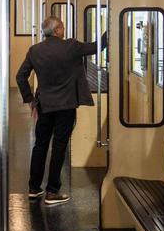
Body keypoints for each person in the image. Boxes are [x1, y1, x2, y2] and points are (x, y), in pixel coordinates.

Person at [16, 16, 105, 205]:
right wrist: (113, 24)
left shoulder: (35, 50)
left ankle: (34, 187)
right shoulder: (71, 47)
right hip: (66, 106)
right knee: (59, 146)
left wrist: (31, 100)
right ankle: (52, 191)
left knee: (40, 144)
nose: (64, 29)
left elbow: (20, 76)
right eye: (62, 27)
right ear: (57, 30)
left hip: (44, 105)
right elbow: (99, 46)